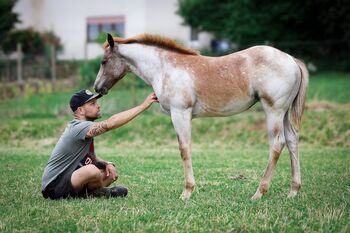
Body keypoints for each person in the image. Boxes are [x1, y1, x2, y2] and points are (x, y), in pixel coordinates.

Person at [41, 89, 158, 199]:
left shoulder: (84, 127)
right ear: (80, 110)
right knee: (91, 170)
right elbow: (110, 124)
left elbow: (90, 156)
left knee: (108, 173)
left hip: (69, 181)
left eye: (96, 102)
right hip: (54, 185)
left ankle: (90, 194)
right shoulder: (77, 127)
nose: (98, 105)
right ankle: (100, 192)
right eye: (92, 103)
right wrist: (143, 106)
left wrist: (107, 164)